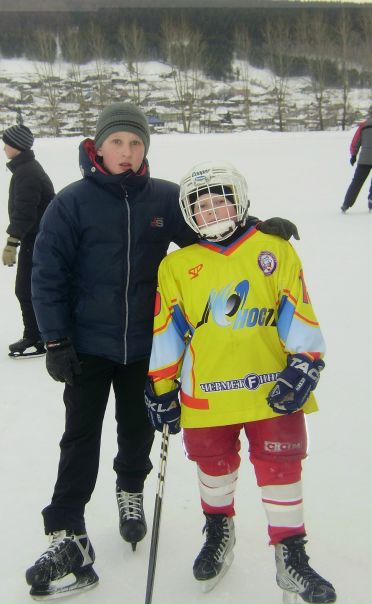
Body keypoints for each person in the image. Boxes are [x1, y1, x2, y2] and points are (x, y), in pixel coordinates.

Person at [25, 102, 299, 599]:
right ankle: (67, 530)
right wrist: (56, 339)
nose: (126, 152)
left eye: (135, 143)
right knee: (79, 436)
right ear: (98, 148)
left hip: (145, 345)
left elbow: (213, 229)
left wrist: (258, 229)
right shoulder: (71, 203)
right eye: (117, 143)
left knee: (138, 427)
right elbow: (46, 273)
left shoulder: (165, 199)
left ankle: (131, 489)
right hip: (87, 346)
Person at [146, 161, 336, 603]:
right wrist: (161, 386)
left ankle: (291, 553)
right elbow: (166, 330)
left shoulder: (274, 249)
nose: (212, 212)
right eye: (202, 206)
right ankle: (219, 530)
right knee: (213, 467)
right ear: (189, 215)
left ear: (239, 204)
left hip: (273, 389)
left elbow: (298, 309)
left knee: (281, 468)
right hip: (206, 394)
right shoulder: (177, 265)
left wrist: (306, 361)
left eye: (220, 202)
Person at [1, 124, 55, 357]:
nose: (4, 148)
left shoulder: (27, 173)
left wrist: (11, 243)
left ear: (17, 146)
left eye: (7, 143)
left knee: (26, 289)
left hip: (38, 240)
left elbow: (25, 213)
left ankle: (37, 338)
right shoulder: (26, 169)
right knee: (29, 289)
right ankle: (38, 335)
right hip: (38, 238)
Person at [341, 105, 372, 213]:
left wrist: (353, 155)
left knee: (357, 182)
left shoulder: (364, 125)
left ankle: (346, 203)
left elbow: (356, 142)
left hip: (364, 159)